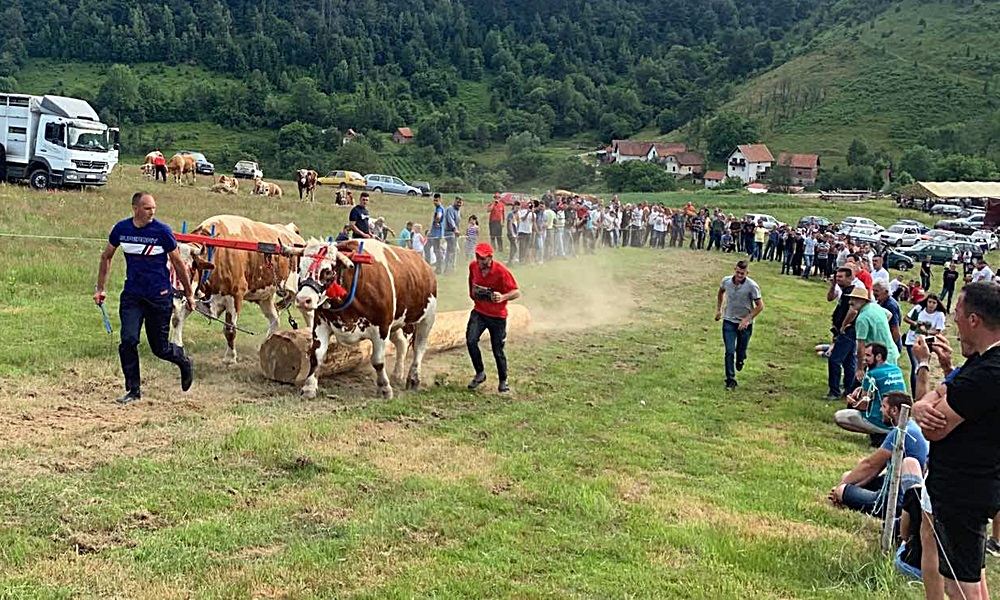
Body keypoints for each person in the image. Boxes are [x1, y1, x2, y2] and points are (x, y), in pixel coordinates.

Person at [912, 283, 1000, 600]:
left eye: (958, 313)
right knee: (971, 574)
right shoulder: (981, 361)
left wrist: (926, 410)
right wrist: (925, 405)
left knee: (961, 587)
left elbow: (936, 429)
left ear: (974, 320)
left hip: (964, 490)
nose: (954, 320)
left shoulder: (989, 372)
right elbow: (945, 391)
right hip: (968, 486)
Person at [93, 192, 195, 404]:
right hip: (132, 296)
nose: (152, 212)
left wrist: (189, 293)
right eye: (148, 208)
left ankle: (184, 361)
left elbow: (178, 263)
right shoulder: (122, 229)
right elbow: (106, 256)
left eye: (154, 208)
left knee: (160, 349)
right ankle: (133, 390)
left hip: (159, 297)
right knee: (128, 341)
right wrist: (100, 288)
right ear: (136, 208)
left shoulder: (162, 232)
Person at [829, 391, 928, 516]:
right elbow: (874, 470)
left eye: (883, 407)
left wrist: (839, 488)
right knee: (847, 476)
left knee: (843, 490)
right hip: (894, 485)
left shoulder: (901, 432)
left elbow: (871, 465)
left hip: (896, 500)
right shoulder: (911, 426)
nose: (880, 410)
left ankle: (842, 495)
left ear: (894, 411)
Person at [466, 242, 521, 394]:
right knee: (471, 341)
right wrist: (473, 294)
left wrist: (503, 296)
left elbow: (516, 292)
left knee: (498, 350)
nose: (479, 261)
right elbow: (471, 281)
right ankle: (480, 373)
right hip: (479, 312)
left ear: (490, 257)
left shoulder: (501, 271)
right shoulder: (473, 267)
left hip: (497, 317)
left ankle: (503, 382)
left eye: (483, 258)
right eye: (477, 257)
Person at [834, 343, 907, 436]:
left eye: (868, 355)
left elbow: (863, 405)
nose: (864, 358)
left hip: (880, 420)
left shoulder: (872, 374)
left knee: (839, 417)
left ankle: (877, 433)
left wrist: (852, 402)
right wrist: (861, 388)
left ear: (878, 357)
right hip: (899, 420)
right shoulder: (896, 369)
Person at [715, 260, 764, 390]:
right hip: (729, 321)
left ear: (747, 273)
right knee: (729, 351)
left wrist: (746, 319)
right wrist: (719, 309)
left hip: (745, 325)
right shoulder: (726, 281)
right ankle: (730, 380)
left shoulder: (752, 286)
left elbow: (760, 306)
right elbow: (720, 292)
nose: (739, 275)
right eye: (737, 272)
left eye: (742, 273)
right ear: (734, 270)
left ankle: (741, 358)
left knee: (740, 350)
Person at [848, 284, 900, 385]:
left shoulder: (862, 319)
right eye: (851, 299)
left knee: (881, 387)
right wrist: (879, 328)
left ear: (863, 300)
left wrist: (859, 368)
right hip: (890, 352)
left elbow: (861, 345)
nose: (851, 302)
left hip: (880, 357)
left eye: (855, 299)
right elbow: (889, 315)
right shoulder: (875, 307)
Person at [826, 267, 860, 400]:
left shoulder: (852, 292)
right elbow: (829, 298)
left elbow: (853, 311)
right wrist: (833, 285)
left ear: (850, 278)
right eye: (837, 276)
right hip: (845, 331)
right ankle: (849, 388)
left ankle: (834, 391)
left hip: (848, 331)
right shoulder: (843, 291)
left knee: (835, 360)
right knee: (849, 360)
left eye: (841, 277)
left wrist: (843, 326)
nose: (838, 279)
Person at [903, 292, 945, 396]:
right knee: (915, 365)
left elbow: (938, 330)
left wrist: (926, 332)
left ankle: (921, 391)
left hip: (927, 343)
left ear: (937, 304)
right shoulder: (918, 309)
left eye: (934, 303)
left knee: (923, 366)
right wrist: (916, 324)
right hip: (912, 340)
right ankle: (914, 393)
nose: (931, 304)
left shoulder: (939, 315)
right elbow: (906, 318)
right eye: (929, 302)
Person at [873, 280, 902, 351]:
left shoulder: (890, 306)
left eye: (876, 291)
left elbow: (895, 330)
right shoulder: (880, 302)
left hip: (889, 345)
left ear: (886, 292)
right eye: (873, 290)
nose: (874, 293)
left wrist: (890, 347)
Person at [443, 196, 463, 274]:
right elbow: (450, 220)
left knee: (450, 250)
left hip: (454, 233)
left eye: (460, 203)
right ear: (454, 201)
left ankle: (448, 268)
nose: (459, 204)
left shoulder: (458, 210)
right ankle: (450, 269)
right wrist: (455, 229)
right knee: (453, 250)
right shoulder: (450, 209)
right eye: (458, 202)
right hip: (450, 232)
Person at [428, 193, 445, 274]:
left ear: (440, 200)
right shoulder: (438, 208)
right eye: (434, 200)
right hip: (434, 233)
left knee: (436, 250)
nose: (435, 202)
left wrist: (437, 221)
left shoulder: (439, 208)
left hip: (436, 234)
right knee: (434, 249)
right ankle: (437, 267)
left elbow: (439, 216)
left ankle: (438, 268)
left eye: (436, 200)